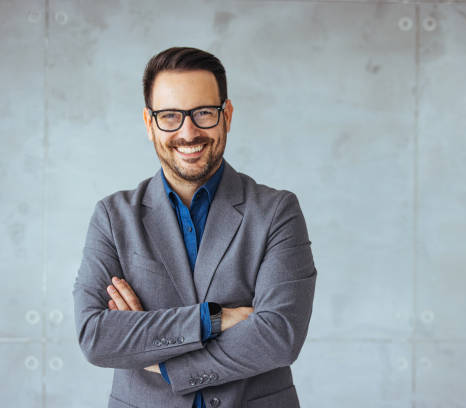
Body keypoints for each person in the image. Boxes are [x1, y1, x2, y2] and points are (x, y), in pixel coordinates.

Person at [72, 47, 316, 408]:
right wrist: (214, 319)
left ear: (227, 115)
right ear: (148, 122)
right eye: (170, 116)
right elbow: (96, 336)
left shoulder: (277, 211)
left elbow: (279, 336)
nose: (188, 133)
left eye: (203, 113)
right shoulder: (113, 216)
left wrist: (160, 359)